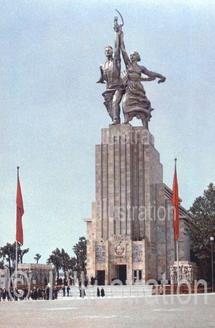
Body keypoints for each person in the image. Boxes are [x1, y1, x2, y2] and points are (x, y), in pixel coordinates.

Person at [119, 31, 166, 128]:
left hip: (138, 88)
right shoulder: (128, 65)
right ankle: (126, 121)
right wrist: (120, 35)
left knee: (143, 104)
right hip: (130, 88)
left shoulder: (141, 68)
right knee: (125, 102)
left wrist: (161, 76)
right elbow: (123, 50)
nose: (132, 56)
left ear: (137, 57)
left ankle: (145, 126)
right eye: (131, 55)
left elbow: (151, 74)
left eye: (134, 54)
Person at [97, 22, 124, 124]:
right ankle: (115, 119)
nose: (108, 51)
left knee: (114, 103)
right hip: (108, 89)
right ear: (105, 53)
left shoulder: (116, 61)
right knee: (109, 107)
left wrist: (117, 33)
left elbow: (117, 47)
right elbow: (102, 78)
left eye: (109, 50)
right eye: (106, 50)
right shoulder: (103, 66)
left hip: (118, 87)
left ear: (112, 52)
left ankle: (116, 120)